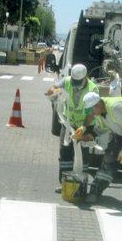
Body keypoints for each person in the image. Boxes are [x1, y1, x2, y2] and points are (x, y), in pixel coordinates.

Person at [45, 63, 98, 193]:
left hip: (85, 125)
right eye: (74, 80)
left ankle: (82, 184)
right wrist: (52, 91)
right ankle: (64, 183)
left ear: (85, 77)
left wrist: (83, 128)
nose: (75, 83)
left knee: (83, 155)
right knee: (65, 152)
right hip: (68, 124)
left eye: (78, 81)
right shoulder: (67, 81)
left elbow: (92, 113)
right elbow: (52, 88)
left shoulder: (93, 89)